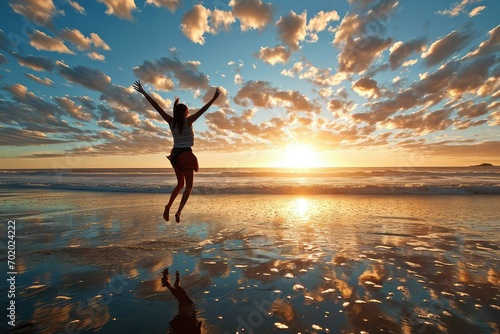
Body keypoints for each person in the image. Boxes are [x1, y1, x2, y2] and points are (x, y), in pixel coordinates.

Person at [133, 80, 221, 223]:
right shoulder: (189, 121)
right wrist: (213, 99)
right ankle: (178, 211)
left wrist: (143, 92)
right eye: (187, 112)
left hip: (175, 156)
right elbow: (203, 110)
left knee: (180, 184)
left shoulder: (171, 121)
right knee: (189, 187)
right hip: (186, 155)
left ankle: (168, 206)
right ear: (186, 113)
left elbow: (156, 106)